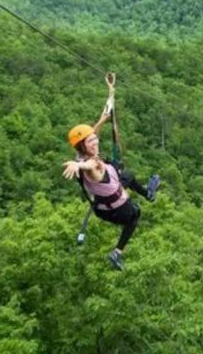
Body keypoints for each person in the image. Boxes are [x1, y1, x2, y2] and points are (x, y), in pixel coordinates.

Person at [62, 73, 160, 271]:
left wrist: (111, 91)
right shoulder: (91, 166)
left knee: (128, 175)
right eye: (91, 141)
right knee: (135, 216)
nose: (96, 141)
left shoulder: (84, 150)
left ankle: (148, 194)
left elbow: (104, 117)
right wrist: (76, 165)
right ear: (83, 147)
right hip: (115, 208)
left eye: (94, 138)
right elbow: (88, 167)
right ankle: (117, 253)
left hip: (103, 202)